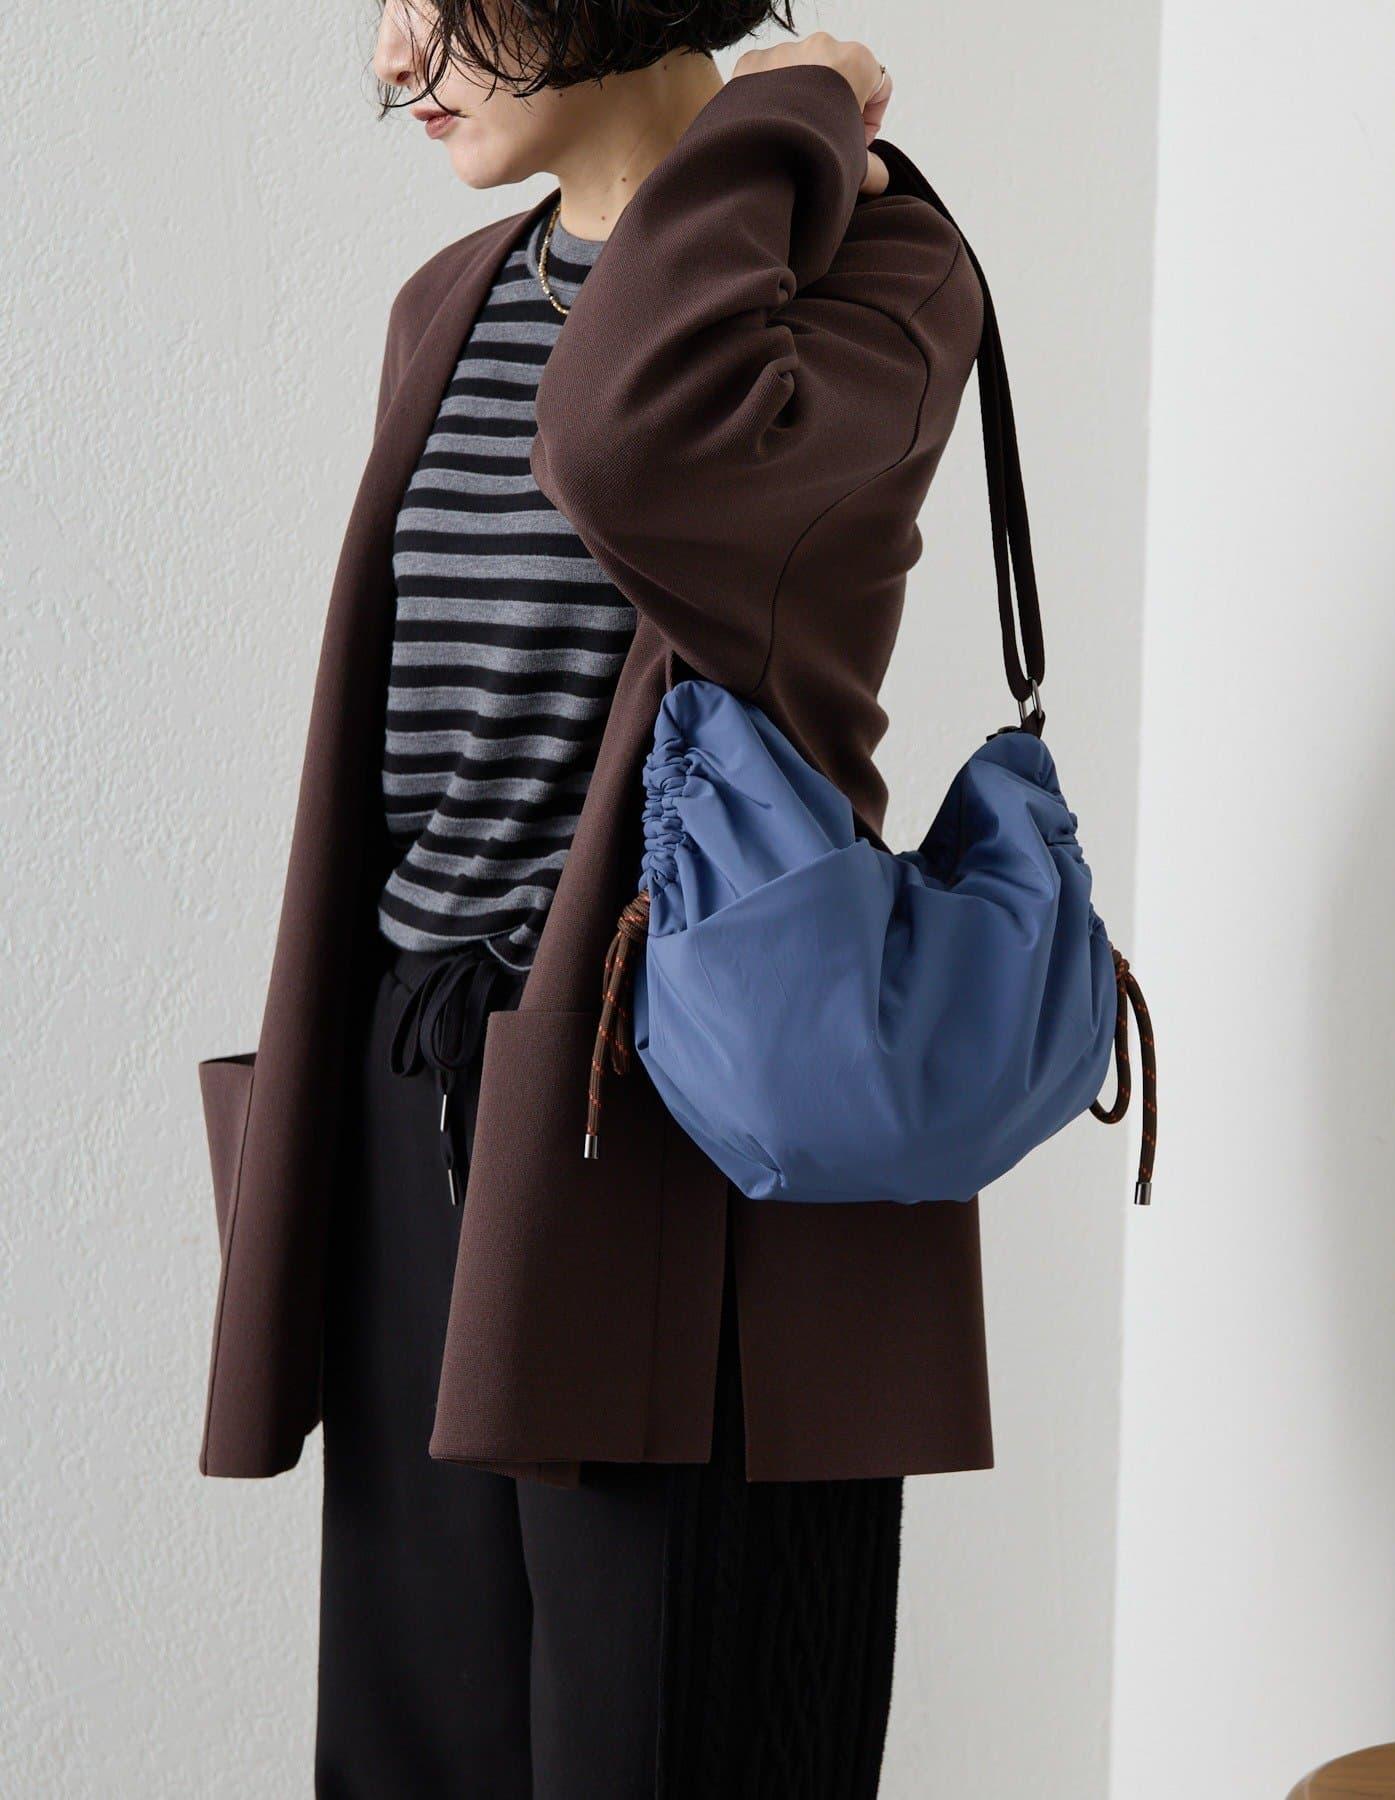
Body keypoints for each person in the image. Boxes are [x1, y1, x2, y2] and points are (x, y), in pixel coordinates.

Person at [197, 5, 992, 1793]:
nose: (391, 56)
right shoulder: (452, 300)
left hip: (676, 1125)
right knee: (416, 1753)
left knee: (674, 1742)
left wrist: (780, 116)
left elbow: (635, 447)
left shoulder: (878, 277)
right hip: (421, 1113)